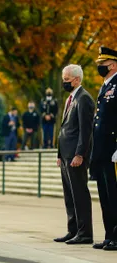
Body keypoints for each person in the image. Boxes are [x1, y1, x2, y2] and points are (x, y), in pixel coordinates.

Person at [55, 64, 94, 245]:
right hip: (66, 154)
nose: (64, 83)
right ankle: (73, 230)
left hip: (75, 155)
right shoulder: (71, 98)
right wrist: (59, 153)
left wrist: (80, 154)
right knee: (69, 194)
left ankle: (84, 233)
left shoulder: (84, 99)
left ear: (77, 79)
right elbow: (64, 128)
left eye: (66, 80)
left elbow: (85, 132)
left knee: (79, 193)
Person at [90, 47, 117, 251]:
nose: (100, 67)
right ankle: (109, 235)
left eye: (103, 65)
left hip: (113, 149)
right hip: (102, 150)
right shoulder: (105, 86)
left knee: (114, 195)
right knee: (105, 196)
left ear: (113, 65)